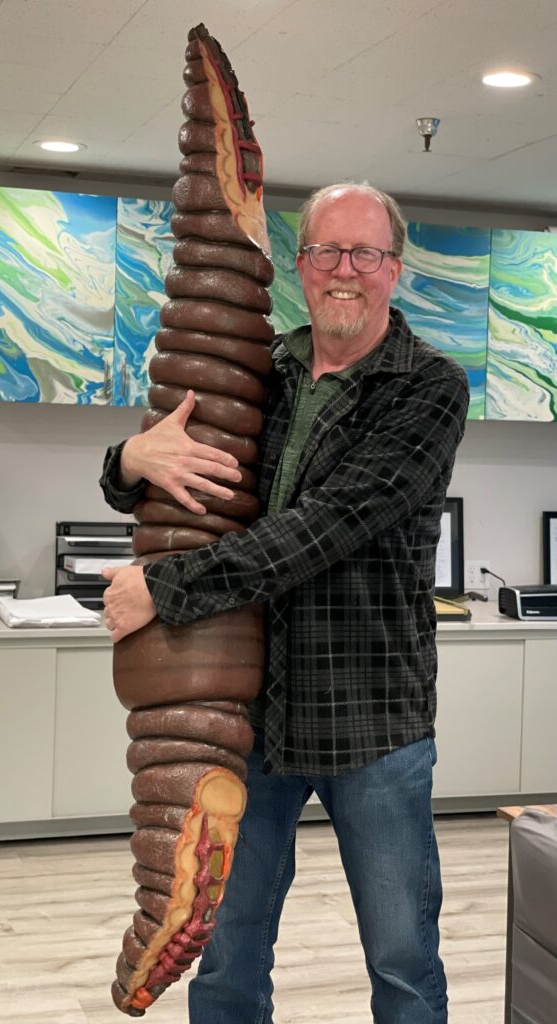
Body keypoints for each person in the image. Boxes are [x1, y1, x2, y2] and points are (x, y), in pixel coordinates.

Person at [99, 182, 470, 1024]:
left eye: (365, 254)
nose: (345, 270)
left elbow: (328, 526)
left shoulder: (428, 388)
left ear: (394, 269)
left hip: (372, 720)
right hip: (251, 722)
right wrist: (128, 461)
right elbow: (170, 483)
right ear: (299, 266)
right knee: (228, 956)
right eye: (326, 251)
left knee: (402, 957)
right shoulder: (262, 370)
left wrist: (167, 585)